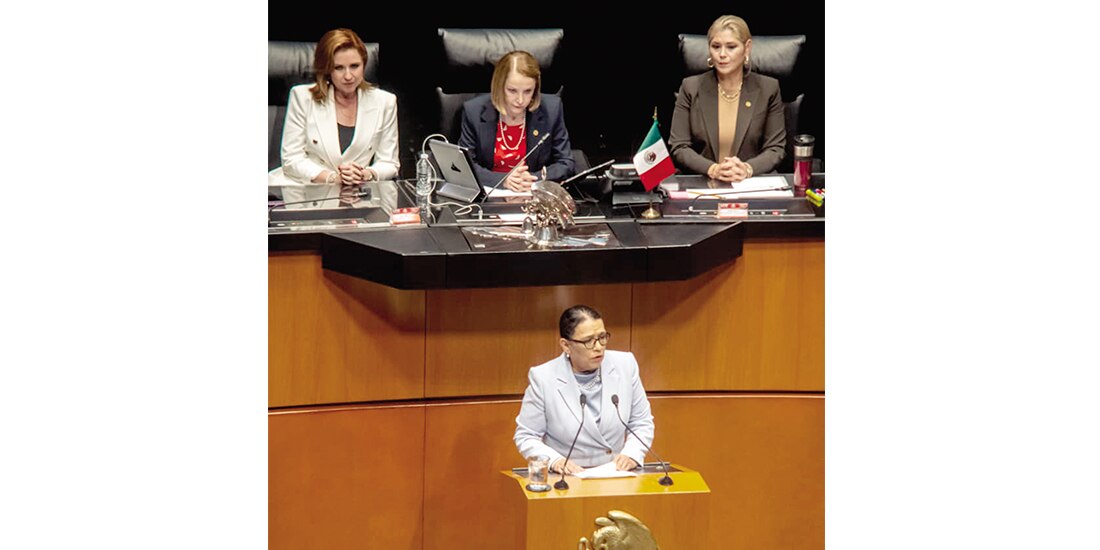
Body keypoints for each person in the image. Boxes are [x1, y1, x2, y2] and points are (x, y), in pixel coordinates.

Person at [514, 305, 654, 474]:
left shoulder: (625, 365)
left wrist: (632, 454)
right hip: (567, 480)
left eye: (602, 337)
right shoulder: (543, 378)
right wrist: (555, 461)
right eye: (588, 341)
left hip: (614, 475)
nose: (599, 347)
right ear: (566, 345)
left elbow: (641, 422)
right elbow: (526, 435)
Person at [268, 28, 399, 207]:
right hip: (306, 196)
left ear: (364, 64)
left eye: (355, 66)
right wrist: (332, 178)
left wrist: (365, 174)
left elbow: (389, 163)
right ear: (327, 69)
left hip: (358, 199)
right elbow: (292, 160)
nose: (348, 76)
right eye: (339, 68)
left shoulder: (385, 101)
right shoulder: (303, 97)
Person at [669, 15, 786, 182]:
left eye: (731, 47)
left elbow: (776, 149)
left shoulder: (768, 89)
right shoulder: (690, 87)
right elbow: (679, 147)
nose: (722, 54)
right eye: (716, 46)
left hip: (750, 185)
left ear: (747, 48)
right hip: (703, 185)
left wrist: (746, 169)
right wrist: (713, 169)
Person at [458, 51, 575, 192]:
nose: (520, 100)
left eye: (527, 91)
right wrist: (503, 180)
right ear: (499, 86)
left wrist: (533, 178)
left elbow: (566, 163)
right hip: (489, 195)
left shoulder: (552, 109)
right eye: (512, 90)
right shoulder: (474, 111)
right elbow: (464, 166)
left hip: (533, 195)